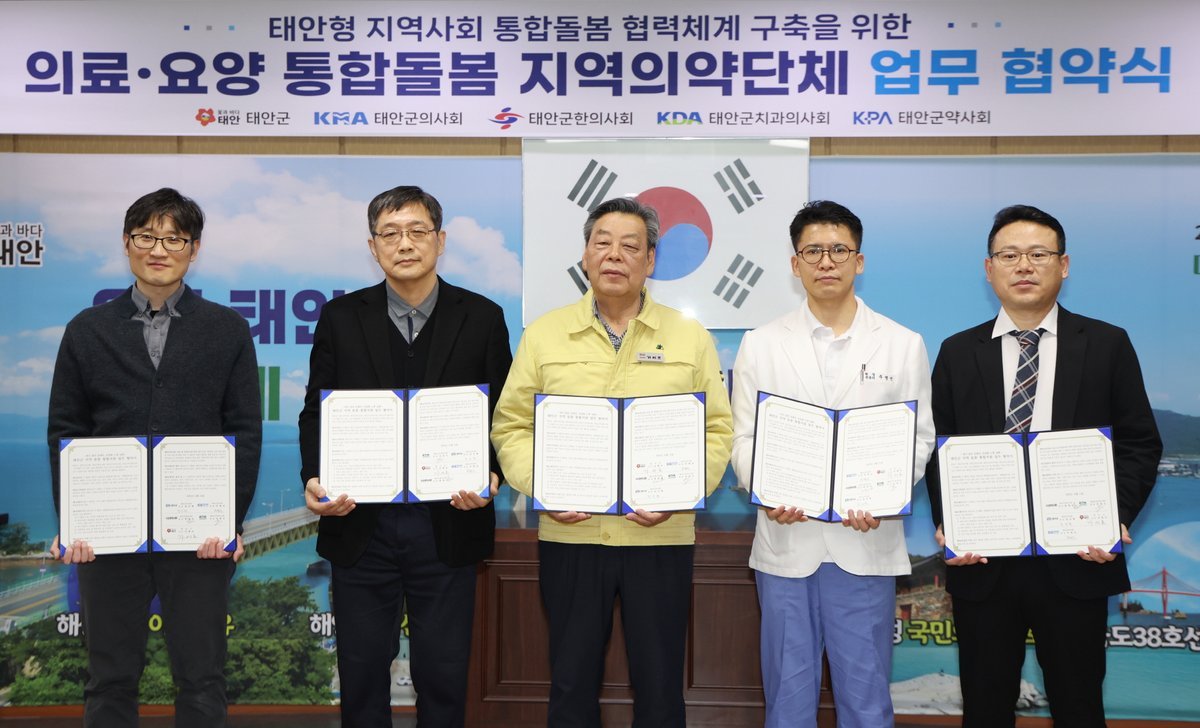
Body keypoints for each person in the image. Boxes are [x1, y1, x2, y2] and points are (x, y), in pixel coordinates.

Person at [490, 196, 732, 728]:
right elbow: (510, 426)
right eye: (602, 243)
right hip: (571, 534)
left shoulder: (688, 336)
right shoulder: (545, 334)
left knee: (660, 685)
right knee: (571, 682)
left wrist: (680, 493)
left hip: (661, 535)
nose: (614, 255)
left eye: (630, 246)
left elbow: (717, 430)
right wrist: (545, 487)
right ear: (585, 255)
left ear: (651, 260)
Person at [925, 204, 1162, 726]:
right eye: (1010, 255)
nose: (1024, 266)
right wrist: (951, 523)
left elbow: (1140, 443)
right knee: (985, 708)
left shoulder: (1107, 344)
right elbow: (938, 451)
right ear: (989, 269)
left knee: (1079, 706)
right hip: (983, 562)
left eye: (1038, 254)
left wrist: (1114, 516)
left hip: (1078, 556)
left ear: (1064, 265)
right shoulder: (957, 352)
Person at [298, 185, 512, 727]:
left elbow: (504, 415)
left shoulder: (482, 317)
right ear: (373, 247)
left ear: (440, 239)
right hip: (359, 523)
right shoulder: (340, 317)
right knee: (362, 674)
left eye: (418, 231)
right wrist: (315, 478)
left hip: (449, 522)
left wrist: (492, 474)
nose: (405, 243)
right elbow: (316, 412)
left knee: (443, 675)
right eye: (390, 233)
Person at [48, 187, 262, 727]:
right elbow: (66, 431)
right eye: (146, 236)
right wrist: (73, 522)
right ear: (127, 243)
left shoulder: (228, 329)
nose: (159, 249)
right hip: (107, 536)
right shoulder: (86, 330)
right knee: (109, 679)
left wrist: (229, 522)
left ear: (194, 249)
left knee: (202, 678)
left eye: (174, 239)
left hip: (198, 537)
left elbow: (243, 431)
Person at [729, 200, 935, 727]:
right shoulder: (761, 344)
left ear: (858, 261)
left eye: (839, 250)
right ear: (794, 263)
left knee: (866, 702)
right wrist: (767, 490)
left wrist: (883, 496)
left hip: (864, 541)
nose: (827, 261)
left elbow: (919, 438)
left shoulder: (903, 344)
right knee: (787, 699)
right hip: (786, 541)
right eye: (813, 251)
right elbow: (743, 436)